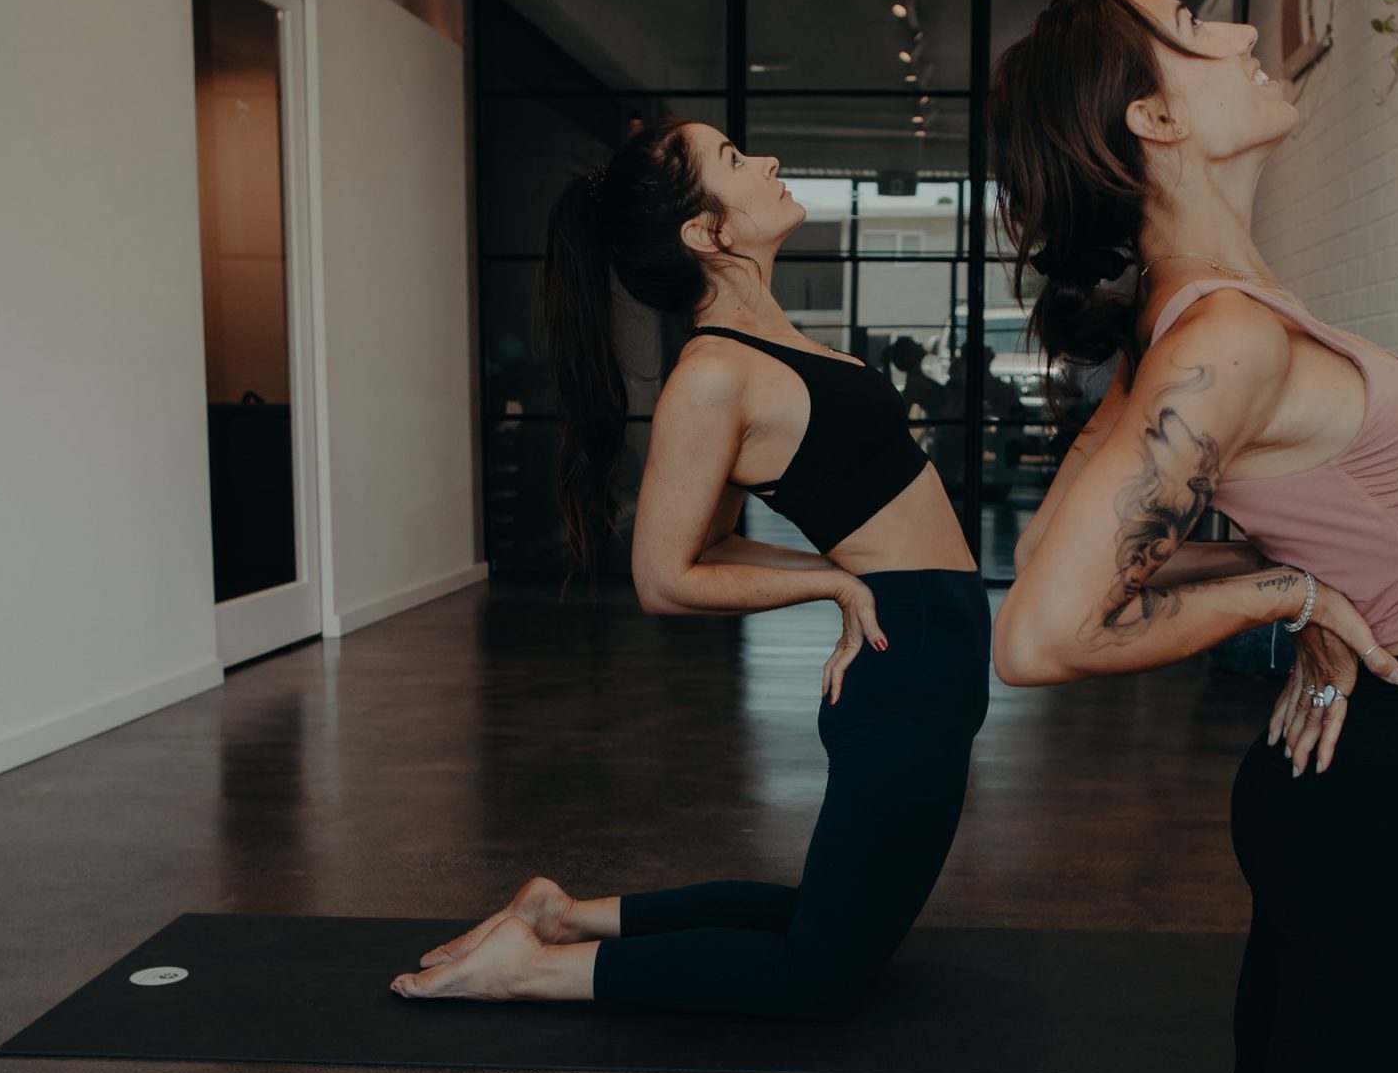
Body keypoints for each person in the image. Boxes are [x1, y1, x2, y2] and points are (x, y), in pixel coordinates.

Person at [636, 0, 1398, 1073]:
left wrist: (1296, 581)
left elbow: (1131, 552)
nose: (1241, 35)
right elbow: (1045, 628)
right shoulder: (1218, 334)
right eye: (1196, 24)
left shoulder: (1207, 314)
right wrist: (1284, 588)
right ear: (1156, 111)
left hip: (1381, 770)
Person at [393, 117, 989, 1018]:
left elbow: (718, 544)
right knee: (818, 977)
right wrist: (831, 580)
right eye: (737, 161)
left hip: (926, 646)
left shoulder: (782, 343)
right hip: (903, 660)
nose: (770, 163)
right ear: (705, 234)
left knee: (821, 919)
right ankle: (530, 968)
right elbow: (666, 575)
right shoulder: (712, 374)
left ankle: (563, 913)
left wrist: (840, 577)